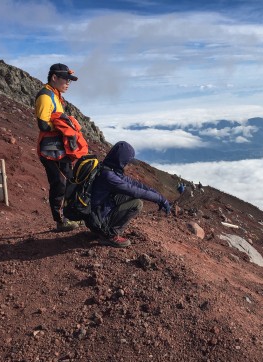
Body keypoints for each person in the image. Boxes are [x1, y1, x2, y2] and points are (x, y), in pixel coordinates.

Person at [87, 141, 171, 248]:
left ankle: (101, 229)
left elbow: (136, 185)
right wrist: (159, 199)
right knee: (137, 204)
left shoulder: (108, 169)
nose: (128, 164)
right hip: (97, 218)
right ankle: (109, 235)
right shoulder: (109, 176)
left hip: (97, 214)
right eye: (127, 161)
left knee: (130, 196)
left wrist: (160, 197)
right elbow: (135, 190)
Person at [34, 63, 83, 232]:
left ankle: (70, 215)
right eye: (66, 79)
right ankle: (60, 221)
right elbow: (43, 125)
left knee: (68, 181)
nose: (68, 83)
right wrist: (64, 126)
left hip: (60, 150)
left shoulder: (56, 96)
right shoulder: (45, 96)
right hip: (49, 151)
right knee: (59, 184)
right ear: (54, 78)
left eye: (70, 80)